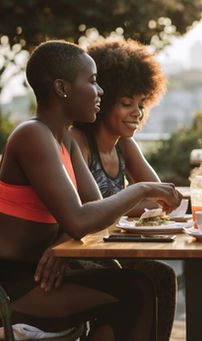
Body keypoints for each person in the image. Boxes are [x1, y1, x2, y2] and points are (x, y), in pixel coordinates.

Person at [0, 40, 182, 341]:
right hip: (15, 286)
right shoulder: (32, 134)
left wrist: (64, 240)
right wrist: (142, 189)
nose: (99, 91)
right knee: (135, 290)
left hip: (45, 275)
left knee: (141, 285)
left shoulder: (64, 140)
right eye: (93, 81)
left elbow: (97, 210)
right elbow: (79, 220)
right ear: (62, 88)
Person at [69, 38, 175, 341]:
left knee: (161, 276)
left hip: (107, 249)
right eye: (127, 103)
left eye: (141, 104)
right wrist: (137, 197)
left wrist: (138, 198)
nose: (137, 113)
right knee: (145, 280)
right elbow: (90, 209)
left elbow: (158, 200)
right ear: (102, 100)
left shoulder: (125, 145)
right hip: (76, 252)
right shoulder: (78, 141)